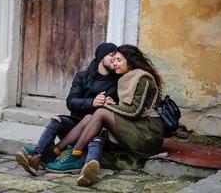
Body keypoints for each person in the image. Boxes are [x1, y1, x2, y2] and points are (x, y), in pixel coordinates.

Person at [45, 44, 164, 186]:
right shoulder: (126, 77)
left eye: (119, 60)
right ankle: (54, 152)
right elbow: (127, 108)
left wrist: (108, 106)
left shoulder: (142, 78)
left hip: (147, 134)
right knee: (90, 117)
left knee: (101, 112)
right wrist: (113, 104)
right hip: (134, 127)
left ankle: (75, 156)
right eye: (114, 60)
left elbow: (134, 111)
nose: (115, 63)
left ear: (130, 61)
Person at [15, 43, 120, 175]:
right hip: (74, 127)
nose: (115, 59)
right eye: (112, 55)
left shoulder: (118, 81)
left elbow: (120, 108)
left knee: (96, 137)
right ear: (101, 57)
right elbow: (71, 102)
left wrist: (113, 104)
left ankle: (87, 169)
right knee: (57, 120)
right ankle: (38, 155)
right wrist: (91, 102)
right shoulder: (82, 76)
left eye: (117, 57)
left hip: (96, 130)